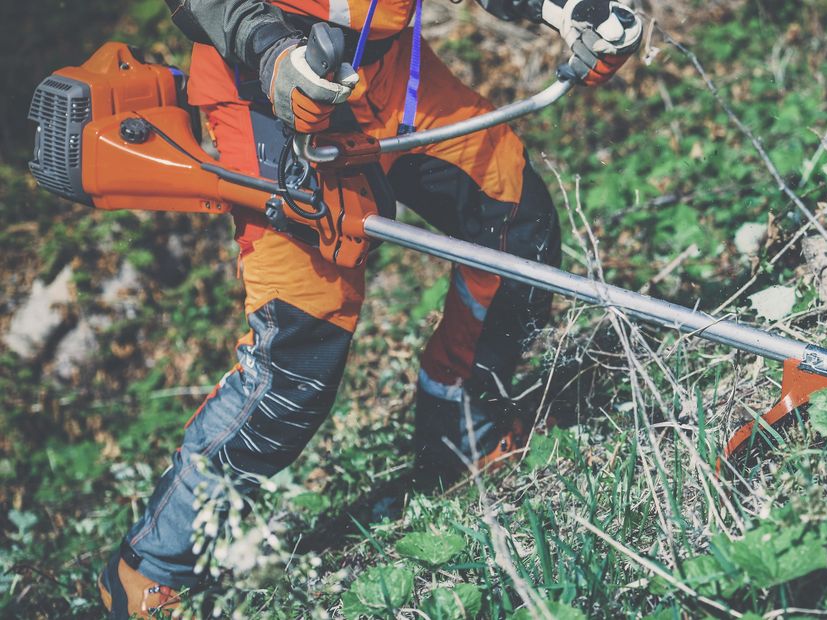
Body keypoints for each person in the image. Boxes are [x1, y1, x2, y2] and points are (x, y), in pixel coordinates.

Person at [97, 0, 643, 616]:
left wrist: (567, 8)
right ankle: (150, 568)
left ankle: (459, 422)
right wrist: (271, 49)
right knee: (296, 360)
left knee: (514, 215)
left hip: (391, 71)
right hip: (271, 92)